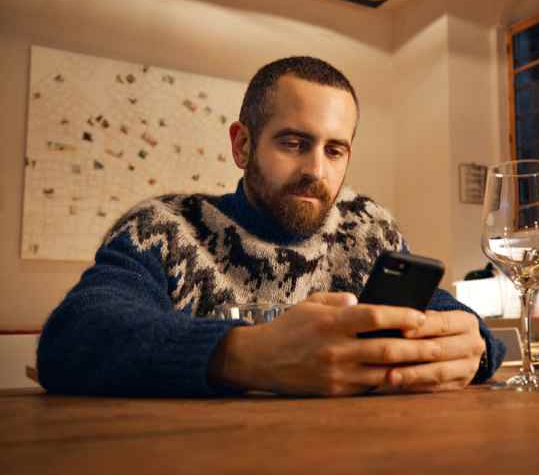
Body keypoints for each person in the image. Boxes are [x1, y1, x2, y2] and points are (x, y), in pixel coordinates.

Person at [37, 56, 505, 397]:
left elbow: (441, 310)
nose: (316, 171)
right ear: (242, 145)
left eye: (335, 150)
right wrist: (247, 356)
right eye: (294, 142)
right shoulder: (163, 228)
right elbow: (74, 337)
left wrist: (473, 342)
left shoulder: (369, 228)